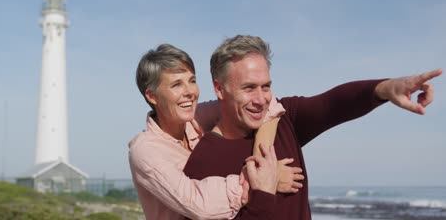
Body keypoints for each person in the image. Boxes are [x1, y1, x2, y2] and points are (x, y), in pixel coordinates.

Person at [183, 35, 442, 219]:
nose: (261, 99)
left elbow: (333, 103)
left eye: (266, 86)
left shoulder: (284, 118)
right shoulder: (202, 164)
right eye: (249, 88)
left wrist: (387, 88)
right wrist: (262, 189)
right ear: (220, 88)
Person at [129, 44, 304, 220]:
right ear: (152, 96)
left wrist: (261, 159)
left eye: (192, 81)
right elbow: (197, 203)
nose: (190, 92)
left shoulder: (198, 116)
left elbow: (263, 104)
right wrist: (262, 180)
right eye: (176, 85)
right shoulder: (144, 150)